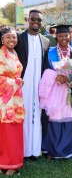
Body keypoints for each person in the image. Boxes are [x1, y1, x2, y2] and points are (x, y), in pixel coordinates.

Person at [39, 25, 72, 159]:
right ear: (56, 37)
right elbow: (44, 70)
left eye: (66, 35)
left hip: (70, 92)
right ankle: (51, 149)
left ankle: (68, 148)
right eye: (60, 36)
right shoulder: (49, 53)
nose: (63, 38)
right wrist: (55, 76)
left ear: (69, 36)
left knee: (69, 117)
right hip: (54, 92)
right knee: (53, 118)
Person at [15, 9, 50, 160]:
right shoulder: (19, 38)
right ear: (28, 20)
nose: (36, 22)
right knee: (24, 115)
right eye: (33, 19)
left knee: (38, 115)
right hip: (23, 84)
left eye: (39, 20)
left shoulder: (46, 41)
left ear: (42, 23)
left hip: (39, 84)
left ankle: (35, 151)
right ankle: (23, 151)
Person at [0, 27, 25, 175]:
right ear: (2, 39)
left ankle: (11, 163)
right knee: (6, 132)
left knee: (14, 131)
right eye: (8, 37)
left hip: (15, 99)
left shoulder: (13, 53)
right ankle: (7, 166)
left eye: (14, 37)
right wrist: (15, 82)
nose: (12, 40)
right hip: (4, 101)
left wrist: (17, 82)